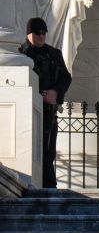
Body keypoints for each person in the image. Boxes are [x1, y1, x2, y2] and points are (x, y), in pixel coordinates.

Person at [20, 16, 69, 189]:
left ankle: (49, 186)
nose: (41, 36)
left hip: (49, 109)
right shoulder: (22, 54)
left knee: (49, 152)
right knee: (35, 150)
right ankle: (43, 185)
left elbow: (66, 77)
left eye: (44, 33)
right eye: (37, 33)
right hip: (30, 109)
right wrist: (40, 94)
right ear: (29, 34)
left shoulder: (54, 53)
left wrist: (56, 93)